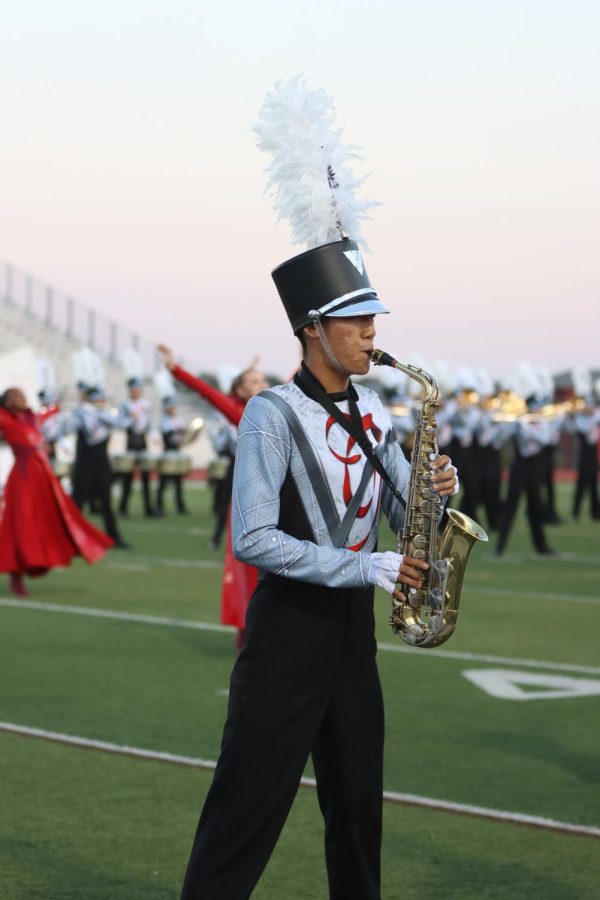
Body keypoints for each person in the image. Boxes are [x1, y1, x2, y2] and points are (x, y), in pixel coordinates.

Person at [179, 252, 458, 897]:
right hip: (286, 637)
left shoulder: (377, 409)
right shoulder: (270, 414)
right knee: (243, 813)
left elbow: (399, 512)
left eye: (373, 322)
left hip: (352, 641)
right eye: (356, 321)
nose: (371, 334)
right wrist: (363, 565)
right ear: (312, 328)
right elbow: (251, 537)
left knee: (359, 815)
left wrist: (437, 489)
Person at [158, 344, 267, 645]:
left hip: (282, 495)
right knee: (246, 565)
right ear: (241, 392)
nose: (263, 385)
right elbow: (206, 391)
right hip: (251, 496)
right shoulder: (239, 412)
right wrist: (174, 367)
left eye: (263, 380)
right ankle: (244, 629)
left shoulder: (279, 407)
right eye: (254, 382)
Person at [0, 387, 113, 597]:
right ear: (6, 402)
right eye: (15, 396)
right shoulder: (5, 419)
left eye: (22, 394)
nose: (22, 397)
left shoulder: (31, 417)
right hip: (23, 478)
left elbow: (49, 415)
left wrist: (57, 407)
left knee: (53, 519)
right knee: (22, 524)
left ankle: (52, 555)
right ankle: (18, 571)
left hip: (43, 478)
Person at [71, 386, 129, 549]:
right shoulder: (82, 413)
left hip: (102, 464)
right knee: (78, 503)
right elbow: (88, 433)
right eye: (99, 399)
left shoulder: (105, 414)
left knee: (106, 503)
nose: (102, 402)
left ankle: (114, 537)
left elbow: (121, 423)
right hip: (84, 465)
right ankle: (72, 539)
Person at [117, 377, 156, 517]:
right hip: (131, 442)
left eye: (138, 390)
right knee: (127, 477)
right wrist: (130, 419)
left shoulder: (146, 404)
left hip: (142, 442)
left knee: (146, 477)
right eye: (134, 390)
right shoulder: (125, 405)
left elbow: (149, 424)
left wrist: (153, 436)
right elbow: (119, 424)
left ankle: (148, 508)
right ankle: (123, 508)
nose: (136, 392)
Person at [156, 396, 189, 515]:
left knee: (178, 482)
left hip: (177, 452)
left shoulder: (179, 420)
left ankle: (180, 506)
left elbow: (183, 434)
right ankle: (159, 506)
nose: (172, 409)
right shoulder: (164, 420)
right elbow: (168, 433)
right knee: (163, 482)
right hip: (168, 452)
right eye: (170, 407)